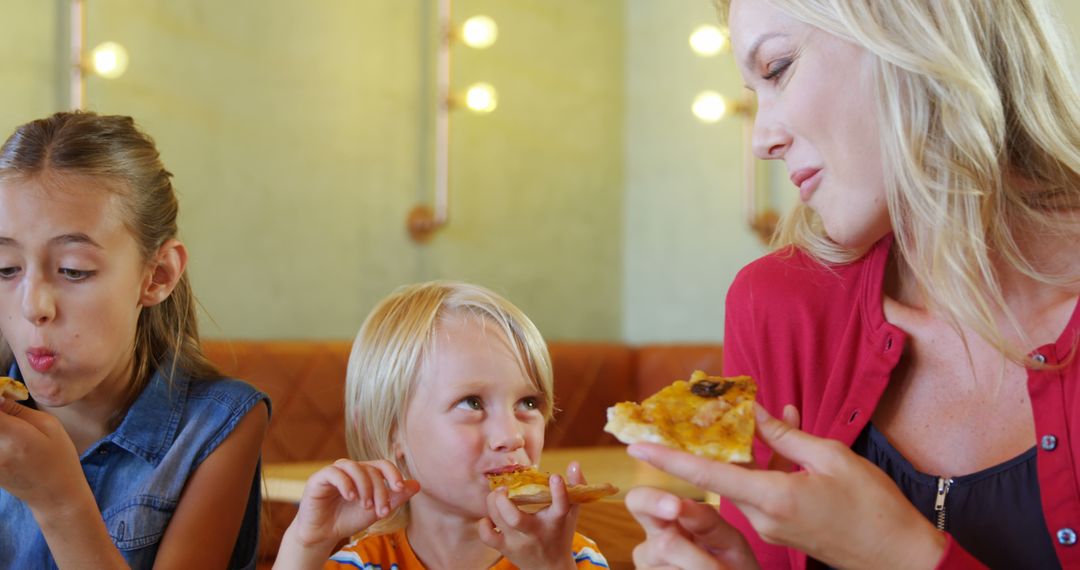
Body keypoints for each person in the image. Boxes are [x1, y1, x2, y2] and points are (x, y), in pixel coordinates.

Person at [625, 0, 1080, 568]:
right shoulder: (779, 305)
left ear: (915, 25)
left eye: (777, 68)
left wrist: (901, 555)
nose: (761, 140)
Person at [0, 111, 270, 569]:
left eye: (73, 270)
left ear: (157, 276)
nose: (33, 307)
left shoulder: (219, 426)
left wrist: (61, 503)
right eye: (6, 268)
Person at [273, 281, 608, 569]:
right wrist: (306, 542)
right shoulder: (361, 565)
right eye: (472, 403)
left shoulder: (573, 559)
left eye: (528, 403)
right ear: (392, 430)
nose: (511, 436)